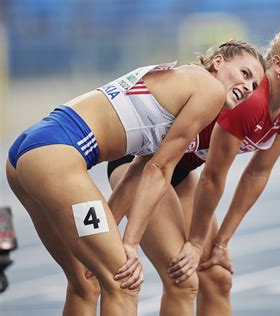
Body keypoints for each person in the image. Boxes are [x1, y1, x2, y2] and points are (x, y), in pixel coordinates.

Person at [6, 40, 265, 316]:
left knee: (85, 281)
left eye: (255, 86)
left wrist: (116, 236)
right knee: (124, 281)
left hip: (28, 150)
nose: (248, 87)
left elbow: (138, 171)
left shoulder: (183, 82)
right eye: (245, 74)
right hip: (56, 155)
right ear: (218, 62)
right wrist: (129, 245)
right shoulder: (210, 90)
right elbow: (160, 170)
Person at [107, 26, 280, 315]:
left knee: (217, 276)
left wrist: (221, 242)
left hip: (180, 172)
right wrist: (197, 243)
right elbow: (212, 177)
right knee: (182, 278)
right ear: (278, 65)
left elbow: (258, 173)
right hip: (143, 166)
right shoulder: (250, 103)